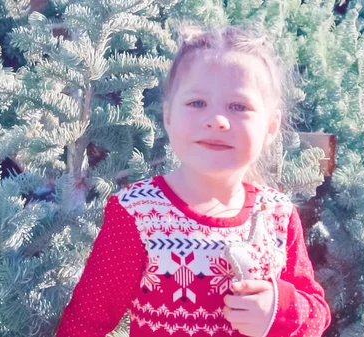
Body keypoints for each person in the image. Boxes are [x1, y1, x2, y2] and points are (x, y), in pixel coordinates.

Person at [55, 25, 331, 337]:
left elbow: (316, 312)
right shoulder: (139, 213)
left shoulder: (277, 215)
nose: (217, 120)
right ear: (169, 116)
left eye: (238, 106)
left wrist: (279, 308)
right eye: (197, 103)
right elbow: (87, 320)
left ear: (270, 128)